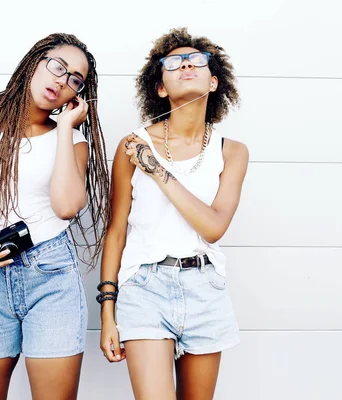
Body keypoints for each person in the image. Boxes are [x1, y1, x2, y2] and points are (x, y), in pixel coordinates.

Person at [0, 33, 110, 400]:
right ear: (35, 62)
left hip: (51, 278)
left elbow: (66, 206)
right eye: (58, 67)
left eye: (75, 79)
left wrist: (65, 129)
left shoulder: (73, 142)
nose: (62, 80)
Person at [99, 27, 248, 400]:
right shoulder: (133, 147)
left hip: (205, 286)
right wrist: (107, 313)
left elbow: (213, 227)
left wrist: (157, 171)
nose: (186, 65)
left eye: (197, 61)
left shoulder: (232, 152)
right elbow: (116, 231)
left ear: (214, 82)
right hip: (144, 287)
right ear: (161, 87)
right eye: (174, 62)